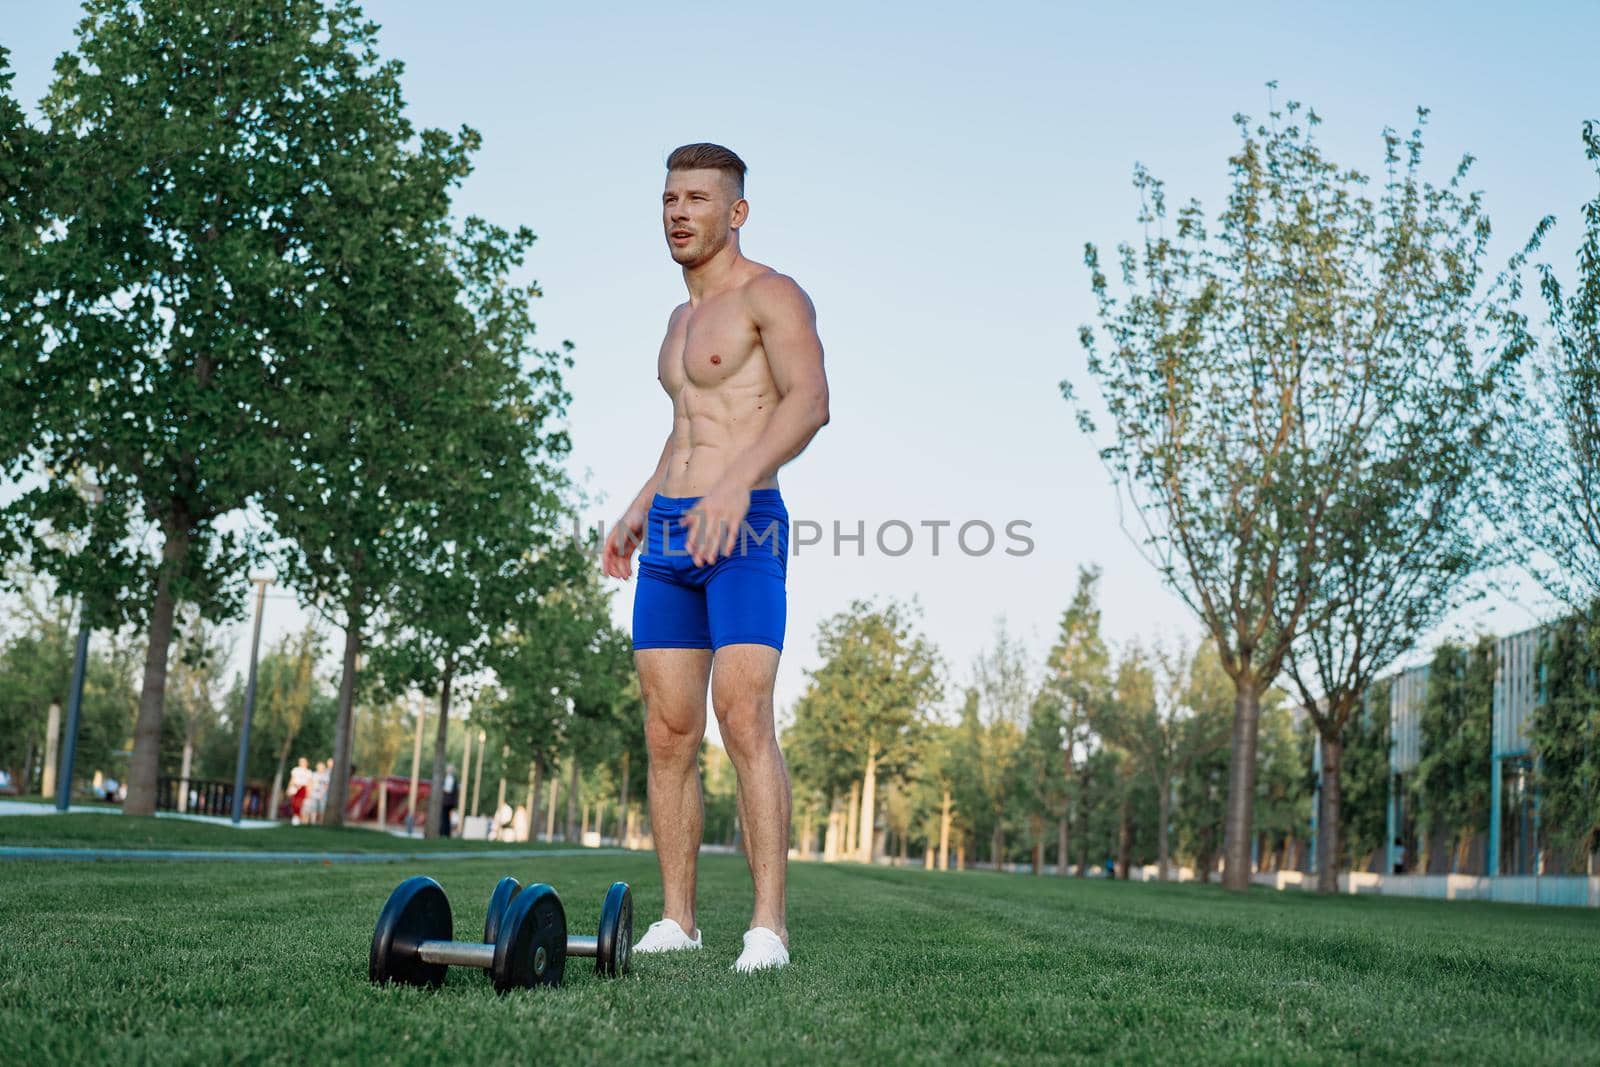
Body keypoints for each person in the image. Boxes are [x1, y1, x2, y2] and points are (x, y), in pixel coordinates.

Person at [602, 143, 829, 974]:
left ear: (735, 212)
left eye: (697, 198)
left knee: (742, 713)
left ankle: (767, 928)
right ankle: (679, 920)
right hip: (668, 535)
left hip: (747, 527)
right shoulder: (678, 323)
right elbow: (687, 427)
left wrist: (737, 483)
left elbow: (810, 401)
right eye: (669, 198)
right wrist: (636, 507)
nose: (678, 212)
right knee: (668, 732)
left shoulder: (772, 295)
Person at [288, 757, 312, 825]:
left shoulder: (308, 772)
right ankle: (295, 817)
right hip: (295, 788)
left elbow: (309, 783)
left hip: (303, 788)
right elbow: (292, 779)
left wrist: (308, 792)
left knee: (300, 804)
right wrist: (289, 788)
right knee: (294, 803)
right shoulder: (296, 770)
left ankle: (300, 819)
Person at [439, 764, 459, 839]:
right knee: (444, 817)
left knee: (446, 817)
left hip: (448, 801)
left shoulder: (453, 779)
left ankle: (445, 833)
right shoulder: (445, 778)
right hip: (446, 801)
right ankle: (443, 832)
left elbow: (451, 791)